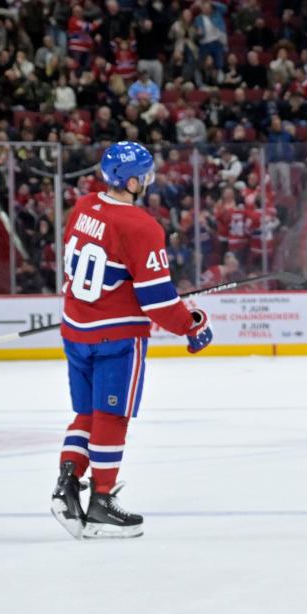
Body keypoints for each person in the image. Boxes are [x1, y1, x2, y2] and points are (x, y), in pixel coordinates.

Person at [50, 142, 213, 541]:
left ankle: (67, 484)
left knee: (85, 414)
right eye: (146, 173)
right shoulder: (141, 226)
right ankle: (101, 502)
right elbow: (157, 301)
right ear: (133, 179)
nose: (150, 179)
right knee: (111, 417)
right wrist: (192, 324)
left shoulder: (85, 206)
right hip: (117, 338)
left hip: (76, 328)